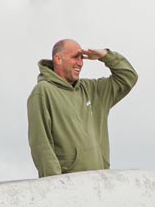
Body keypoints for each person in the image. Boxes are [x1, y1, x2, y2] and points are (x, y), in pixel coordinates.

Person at [27, 39, 137, 177]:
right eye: (75, 57)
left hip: (99, 184)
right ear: (58, 59)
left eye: (81, 58)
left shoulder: (92, 90)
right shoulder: (43, 92)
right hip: (67, 187)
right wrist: (55, 185)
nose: (80, 63)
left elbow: (128, 77)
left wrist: (105, 55)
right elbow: (41, 145)